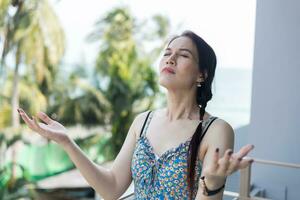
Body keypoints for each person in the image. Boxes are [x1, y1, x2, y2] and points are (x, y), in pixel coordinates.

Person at [18, 30, 254, 200]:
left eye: (183, 55)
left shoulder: (216, 130)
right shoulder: (143, 122)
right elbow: (111, 188)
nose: (170, 58)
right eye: (167, 53)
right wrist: (67, 142)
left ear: (201, 75)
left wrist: (212, 184)